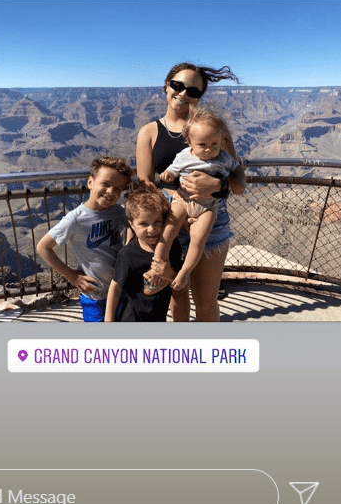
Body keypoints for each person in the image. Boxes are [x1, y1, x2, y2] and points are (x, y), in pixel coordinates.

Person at [136, 62, 245, 321]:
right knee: (177, 299)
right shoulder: (149, 132)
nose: (183, 94)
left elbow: (238, 178)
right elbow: (145, 186)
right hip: (170, 221)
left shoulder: (212, 128)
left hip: (210, 220)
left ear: (199, 96)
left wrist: (218, 185)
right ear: (166, 86)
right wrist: (174, 208)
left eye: (193, 91)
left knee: (206, 300)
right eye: (177, 85)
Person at [145, 109, 240, 295]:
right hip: (182, 199)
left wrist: (237, 181)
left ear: (221, 141)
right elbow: (173, 170)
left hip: (208, 207)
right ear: (190, 143)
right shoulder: (184, 156)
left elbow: (237, 169)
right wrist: (168, 174)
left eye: (214, 144)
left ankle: (184, 272)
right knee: (168, 231)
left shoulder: (223, 157)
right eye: (202, 144)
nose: (208, 149)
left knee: (198, 240)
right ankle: (158, 263)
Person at [37, 156, 132, 322]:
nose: (110, 192)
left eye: (118, 189)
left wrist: (129, 247)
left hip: (121, 289)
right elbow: (43, 247)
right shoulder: (76, 219)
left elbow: (134, 225)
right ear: (90, 182)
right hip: (95, 295)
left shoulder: (118, 211)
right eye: (105, 184)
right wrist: (72, 276)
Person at [105, 182, 183, 322]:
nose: (152, 230)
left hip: (158, 317)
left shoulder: (173, 248)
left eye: (158, 222)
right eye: (143, 224)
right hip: (131, 319)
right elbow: (115, 288)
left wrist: (169, 273)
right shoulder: (128, 254)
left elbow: (180, 280)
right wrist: (108, 321)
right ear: (131, 224)